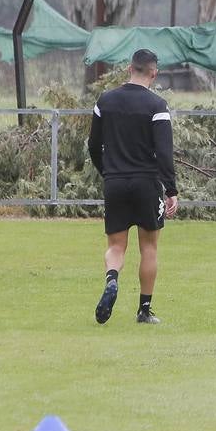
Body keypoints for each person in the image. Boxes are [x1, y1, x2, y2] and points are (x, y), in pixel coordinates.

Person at [87, 48, 179, 325]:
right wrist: (171, 189)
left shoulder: (105, 100)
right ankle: (144, 310)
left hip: (115, 181)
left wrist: (108, 172)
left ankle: (112, 279)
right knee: (149, 247)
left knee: (116, 246)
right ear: (154, 73)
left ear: (130, 69)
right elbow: (164, 152)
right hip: (146, 183)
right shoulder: (157, 106)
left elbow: (93, 145)